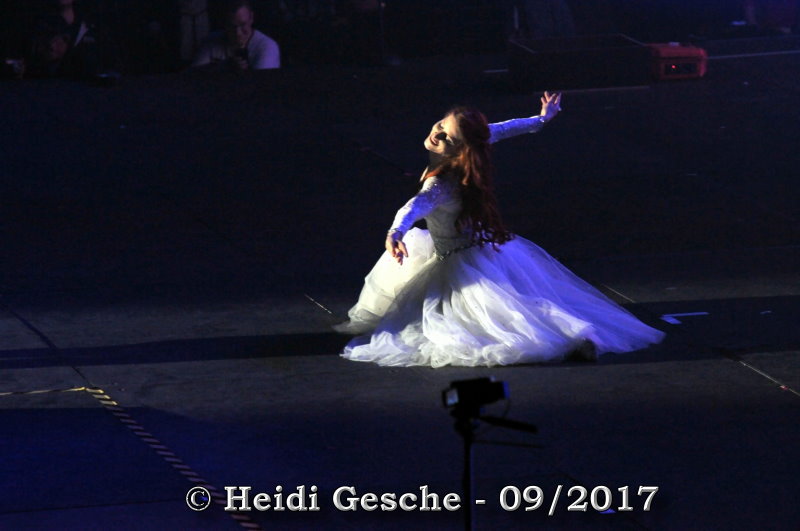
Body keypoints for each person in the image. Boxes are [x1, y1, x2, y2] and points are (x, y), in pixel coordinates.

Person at [334, 93, 665, 367]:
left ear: (460, 148)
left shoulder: (441, 183)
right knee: (516, 305)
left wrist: (395, 232)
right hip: (479, 249)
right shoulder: (474, 144)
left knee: (492, 320)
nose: (438, 134)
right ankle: (573, 335)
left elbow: (414, 206)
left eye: (448, 136)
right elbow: (504, 128)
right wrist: (541, 120)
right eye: (441, 125)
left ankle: (572, 339)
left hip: (460, 261)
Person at [192, 0, 280, 71]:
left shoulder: (267, 47)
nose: (238, 33)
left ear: (251, 18)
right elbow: (193, 76)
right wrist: (223, 66)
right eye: (232, 27)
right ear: (225, 24)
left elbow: (261, 84)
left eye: (243, 25)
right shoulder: (211, 42)